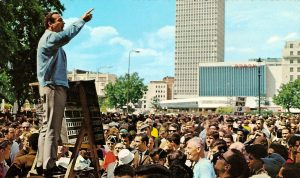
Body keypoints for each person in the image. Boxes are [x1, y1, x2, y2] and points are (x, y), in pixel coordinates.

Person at [36, 9, 93, 176]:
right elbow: (66, 35)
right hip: (53, 87)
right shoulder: (51, 37)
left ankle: (41, 163)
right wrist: (81, 20)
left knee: (46, 127)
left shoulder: (49, 39)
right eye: (60, 20)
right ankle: (49, 165)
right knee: (53, 127)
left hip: (50, 86)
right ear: (50, 24)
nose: (63, 22)